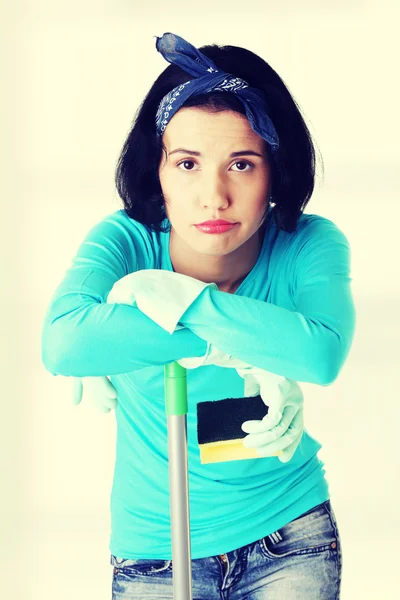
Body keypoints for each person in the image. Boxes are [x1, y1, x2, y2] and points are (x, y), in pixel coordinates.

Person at [41, 32, 356, 599]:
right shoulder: (126, 242)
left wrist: (183, 302)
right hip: (155, 551)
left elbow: (320, 353)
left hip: (288, 535)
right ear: (156, 172)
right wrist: (238, 343)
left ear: (276, 174)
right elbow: (64, 345)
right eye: (187, 163)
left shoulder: (307, 244)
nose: (213, 197)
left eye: (241, 163)